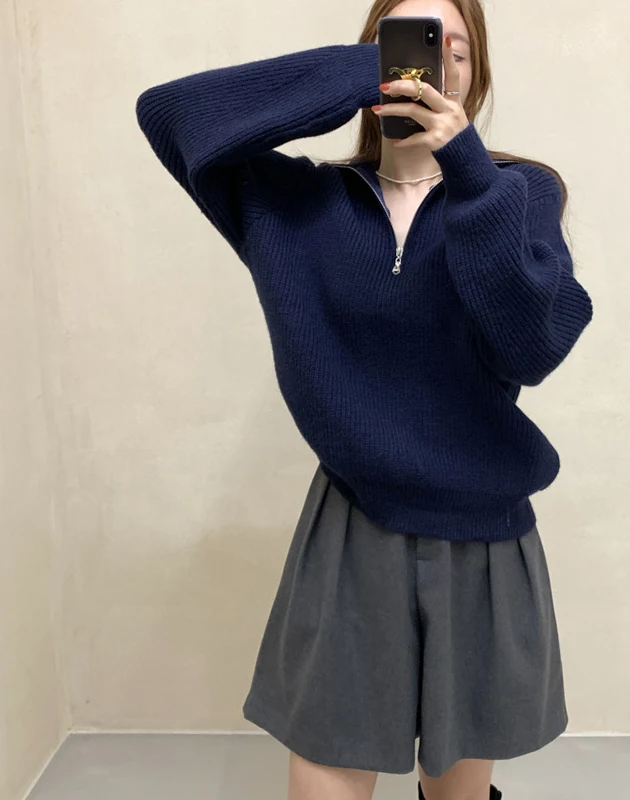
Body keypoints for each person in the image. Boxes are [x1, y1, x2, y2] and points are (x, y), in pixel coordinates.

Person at [135, 0, 593, 797]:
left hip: (481, 533)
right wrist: (362, 73)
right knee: (323, 772)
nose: (430, 66)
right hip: (353, 523)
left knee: (454, 790)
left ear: (475, 77)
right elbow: (171, 114)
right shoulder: (290, 203)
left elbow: (534, 346)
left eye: (453, 52)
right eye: (410, 46)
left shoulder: (520, 193)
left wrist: (470, 172)